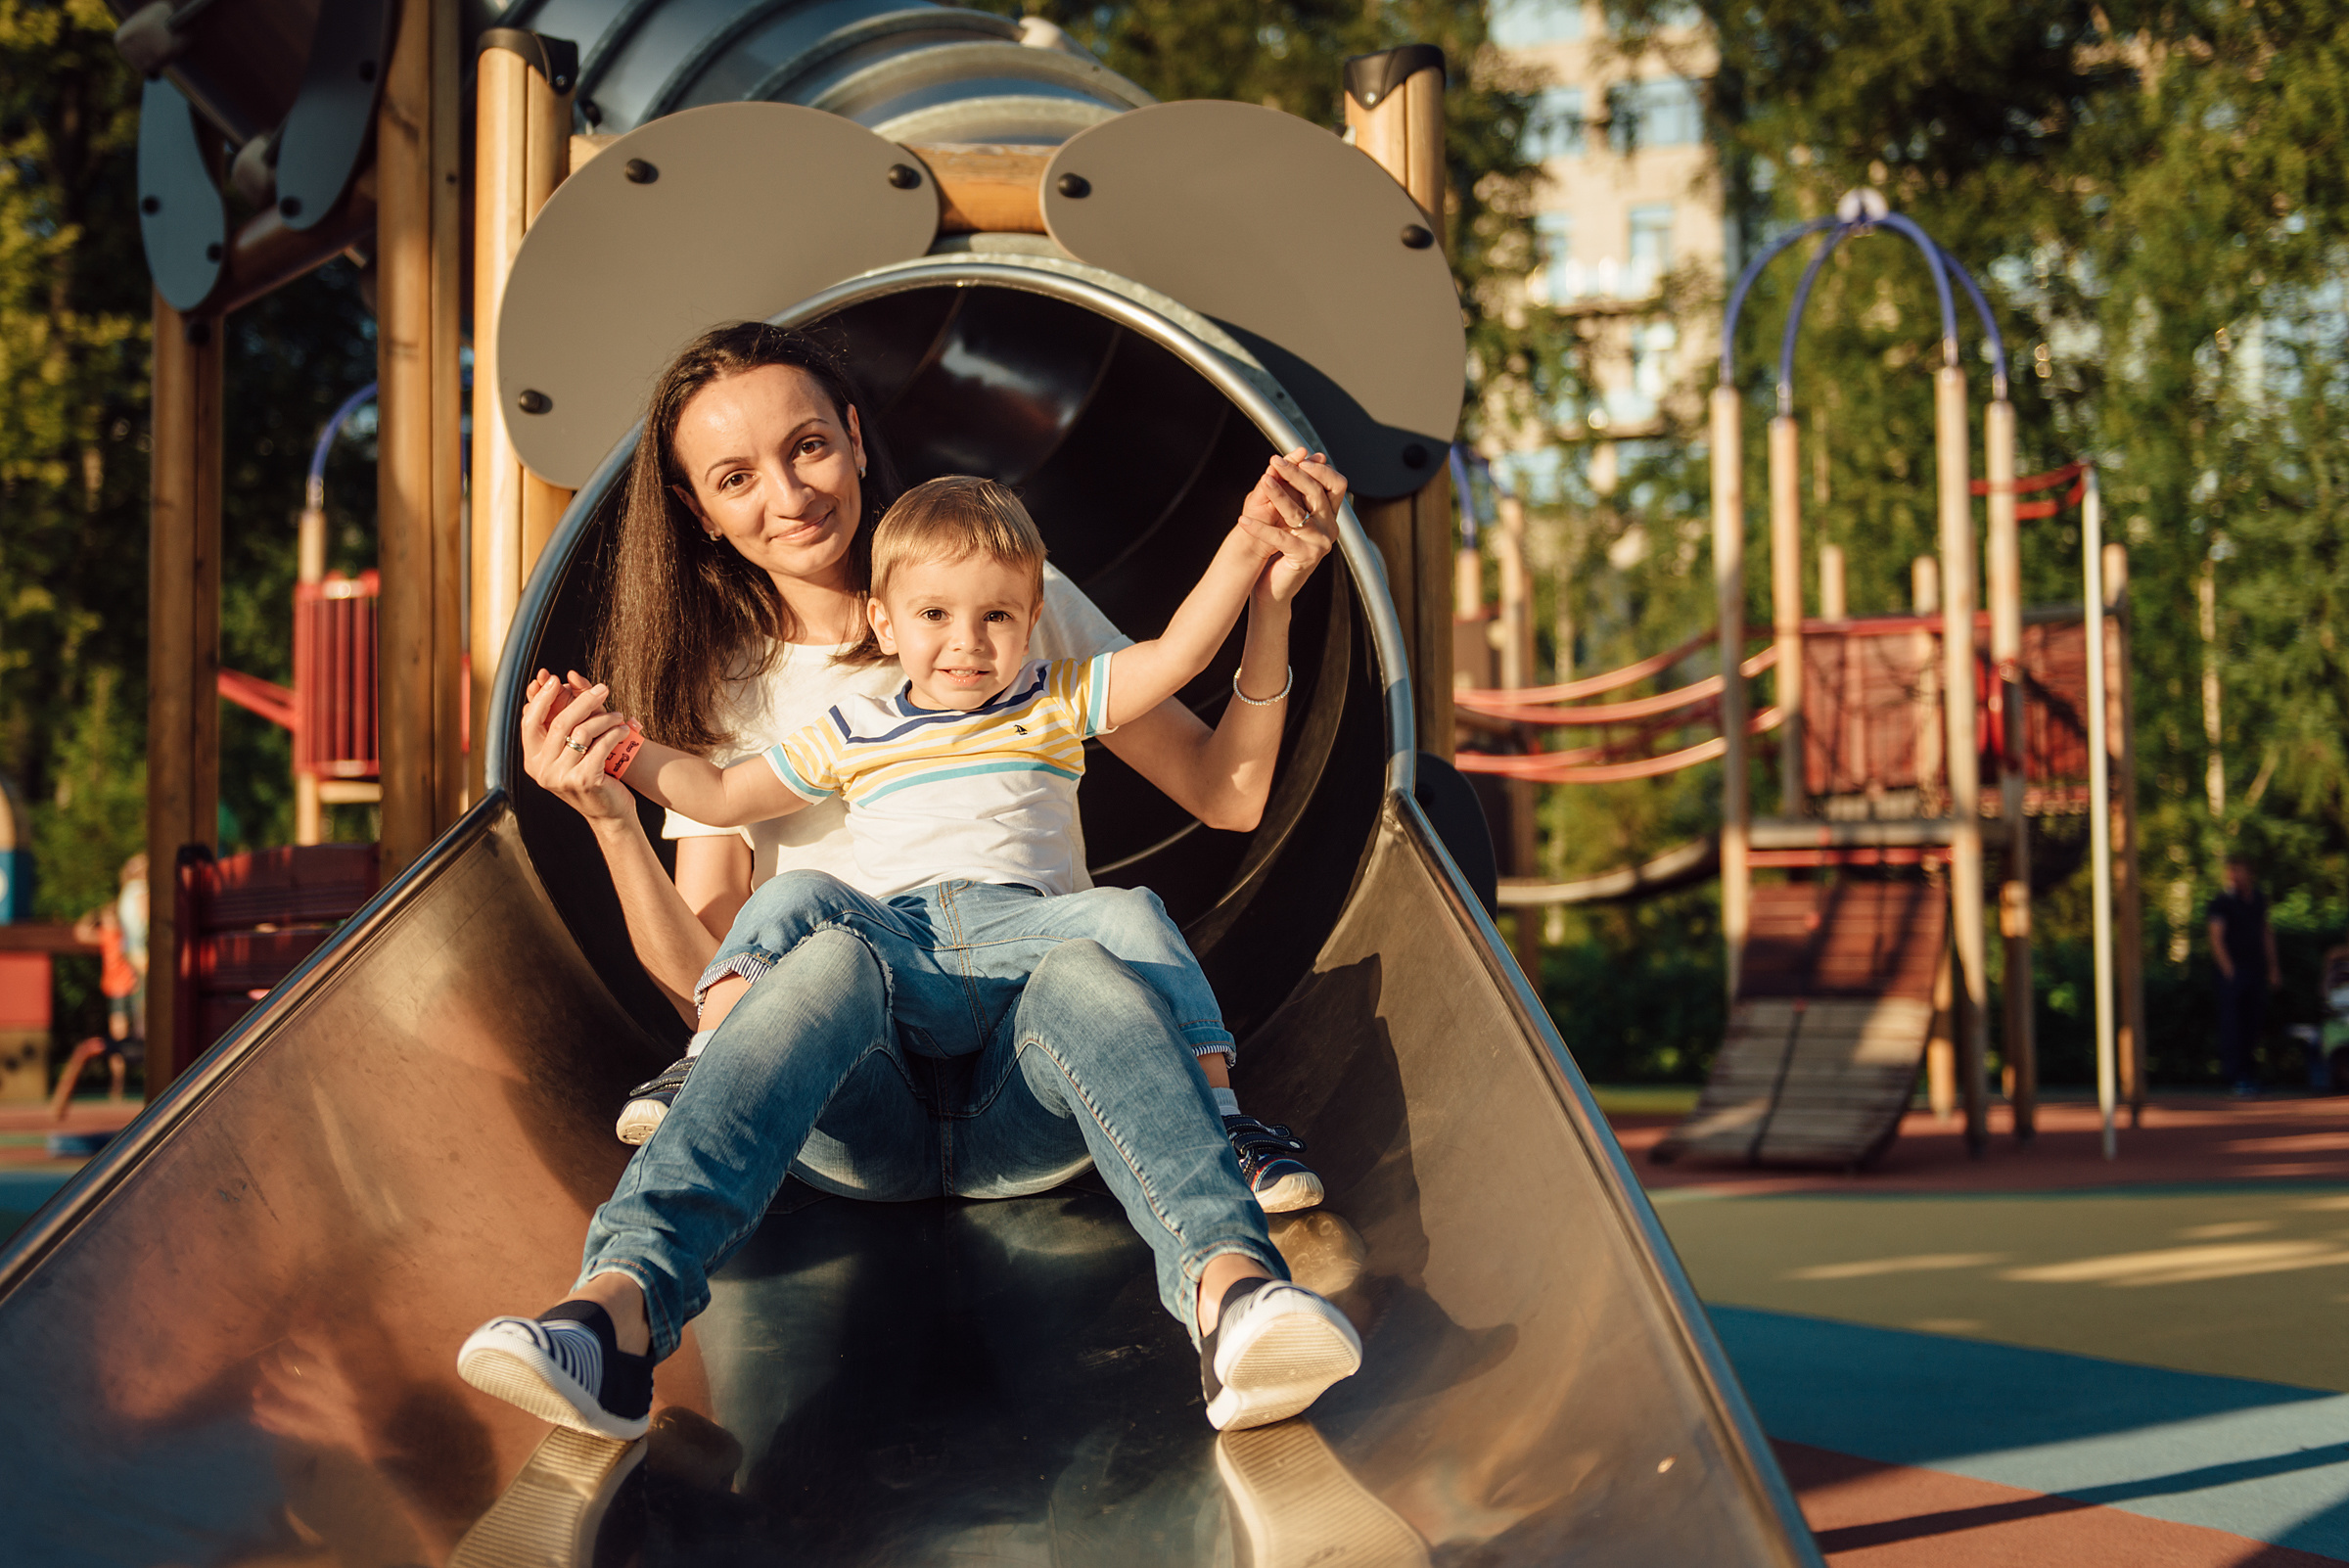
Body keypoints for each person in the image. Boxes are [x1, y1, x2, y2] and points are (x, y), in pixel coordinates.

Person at [463, 323, 1361, 1445]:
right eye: (737, 478)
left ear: (852, 435)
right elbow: (710, 964)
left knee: (1090, 963)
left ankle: (1236, 1303)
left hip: (1034, 1079)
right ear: (699, 508)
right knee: (820, 952)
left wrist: (1269, 595)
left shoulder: (999, 605)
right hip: (855, 1102)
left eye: (807, 448)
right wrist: (609, 817)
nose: (787, 496)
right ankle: (614, 1318)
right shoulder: (730, 686)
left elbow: (1224, 793)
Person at [575, 473, 1283, 1089]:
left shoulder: (1050, 696)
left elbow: (1181, 656)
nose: (967, 641)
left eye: (996, 616)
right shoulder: (852, 726)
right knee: (791, 899)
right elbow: (719, 795)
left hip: (1027, 960)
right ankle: (707, 1070)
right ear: (889, 623)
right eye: (936, 615)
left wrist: (1252, 545)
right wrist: (617, 750)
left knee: (1134, 914)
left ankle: (1220, 1110)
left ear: (1033, 619)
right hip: (903, 959)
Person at [2208, 853, 2281, 1096]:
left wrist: (2272, 968)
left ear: (2250, 873)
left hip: (2256, 971)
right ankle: (2235, 1077)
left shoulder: (2259, 898)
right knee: (2233, 1025)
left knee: (2253, 1024)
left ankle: (2250, 1075)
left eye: (2240, 870)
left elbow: (2265, 932)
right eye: (2232, 870)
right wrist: (2229, 971)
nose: (2235, 876)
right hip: (2233, 975)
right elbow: (2216, 937)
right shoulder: (2221, 902)